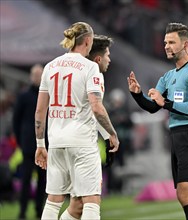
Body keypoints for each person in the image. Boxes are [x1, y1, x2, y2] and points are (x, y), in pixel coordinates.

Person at [34, 22, 119, 220]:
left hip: (55, 141)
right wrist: (112, 134)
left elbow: (40, 111)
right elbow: (96, 107)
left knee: (53, 200)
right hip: (81, 142)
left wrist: (40, 144)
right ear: (88, 41)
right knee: (91, 201)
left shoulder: (50, 66)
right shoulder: (90, 68)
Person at [127, 22, 188, 220]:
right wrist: (138, 95)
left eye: (172, 42)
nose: (166, 46)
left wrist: (165, 102)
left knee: (185, 194)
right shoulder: (168, 77)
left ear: (185, 44)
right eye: (165, 42)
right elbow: (154, 107)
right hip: (177, 137)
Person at [12, 64, 47, 219]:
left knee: (43, 180)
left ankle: (39, 210)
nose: (37, 78)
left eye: (40, 75)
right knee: (25, 180)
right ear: (31, 76)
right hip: (27, 145)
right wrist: (20, 141)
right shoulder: (24, 96)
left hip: (44, 144)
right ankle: (22, 211)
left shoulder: (48, 95)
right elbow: (16, 120)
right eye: (35, 75)